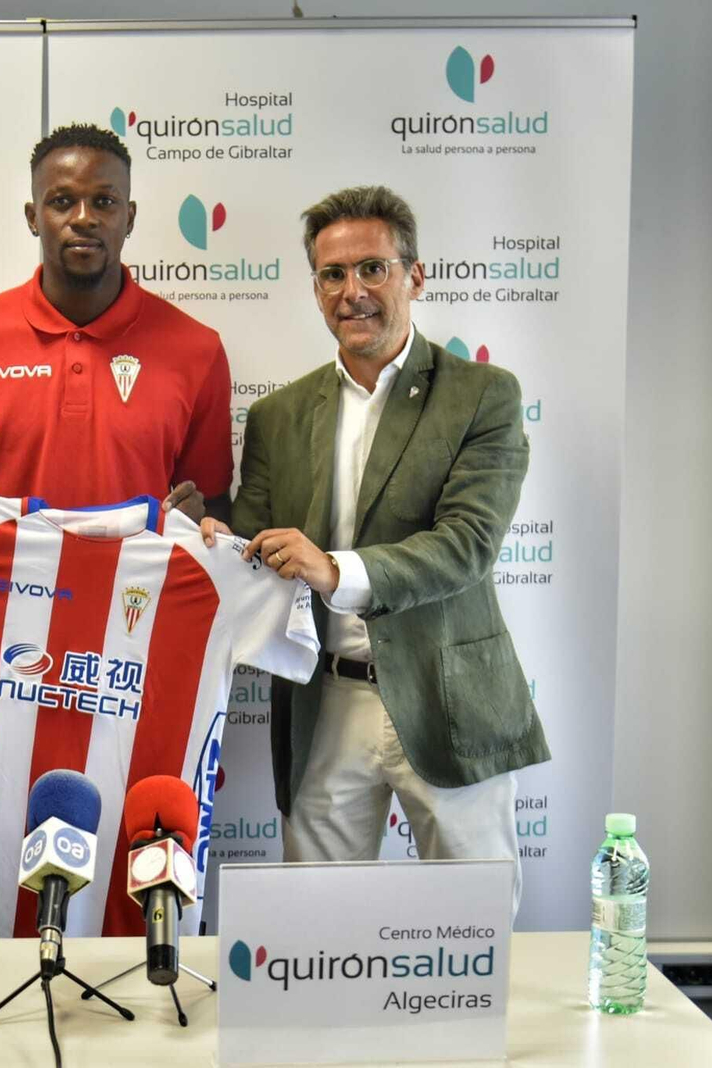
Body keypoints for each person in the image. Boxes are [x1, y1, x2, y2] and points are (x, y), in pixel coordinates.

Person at [203, 186, 549, 915]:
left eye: (372, 269)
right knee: (318, 933)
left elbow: (468, 545)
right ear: (315, 286)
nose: (351, 291)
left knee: (471, 928)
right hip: (322, 700)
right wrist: (213, 544)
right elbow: (255, 548)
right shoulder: (277, 416)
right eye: (333, 274)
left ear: (415, 276)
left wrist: (335, 570)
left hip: (449, 695)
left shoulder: (483, 396)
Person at [0, 123, 233, 521]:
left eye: (104, 202)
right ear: (32, 217)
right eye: (62, 201)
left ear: (129, 218)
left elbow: (213, 506)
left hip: (135, 585)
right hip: (5, 583)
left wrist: (196, 516)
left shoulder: (197, 349)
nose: (84, 218)